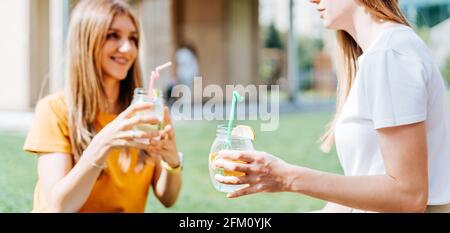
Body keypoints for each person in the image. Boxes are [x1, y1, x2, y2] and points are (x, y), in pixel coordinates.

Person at [214, 0, 450, 213]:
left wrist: (287, 177)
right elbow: (369, 180)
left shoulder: (390, 53)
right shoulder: (380, 52)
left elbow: (408, 196)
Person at [23, 0, 182, 213]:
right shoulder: (54, 110)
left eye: (133, 38)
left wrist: (171, 161)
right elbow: (59, 207)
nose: (128, 49)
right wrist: (104, 144)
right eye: (112, 35)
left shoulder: (144, 113)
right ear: (86, 40)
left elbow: (168, 199)